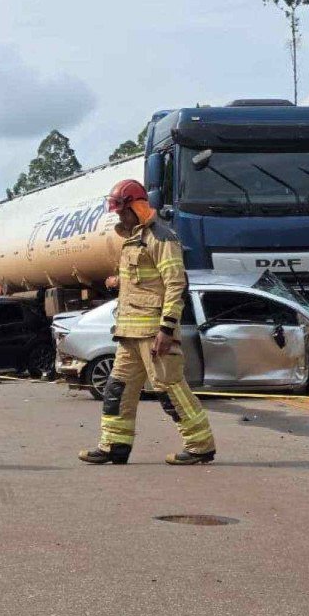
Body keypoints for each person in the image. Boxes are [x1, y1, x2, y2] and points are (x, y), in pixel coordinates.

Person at [79, 179, 217, 466]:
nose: (118, 217)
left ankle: (200, 445)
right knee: (117, 390)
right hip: (129, 334)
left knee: (170, 389)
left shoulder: (162, 238)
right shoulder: (133, 240)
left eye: (122, 211)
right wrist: (118, 282)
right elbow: (143, 281)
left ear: (136, 207)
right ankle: (113, 445)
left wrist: (166, 329)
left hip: (154, 333)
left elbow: (175, 284)